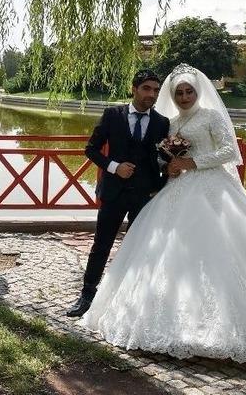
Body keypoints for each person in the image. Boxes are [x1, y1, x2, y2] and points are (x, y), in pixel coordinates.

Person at [80, 63, 246, 363]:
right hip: (173, 189)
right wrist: (168, 165)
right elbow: (158, 155)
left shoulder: (212, 116)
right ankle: (92, 296)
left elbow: (230, 152)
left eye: (188, 91)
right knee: (162, 248)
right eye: (177, 92)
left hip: (212, 190)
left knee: (219, 246)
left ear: (198, 91)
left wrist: (191, 164)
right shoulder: (171, 123)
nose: (182, 96)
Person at [66, 69, 170, 317]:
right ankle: (87, 296)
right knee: (101, 245)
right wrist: (114, 167)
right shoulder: (112, 115)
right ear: (134, 89)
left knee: (140, 247)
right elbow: (91, 149)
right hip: (113, 192)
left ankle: (132, 300)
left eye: (155, 90)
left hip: (144, 197)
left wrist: (162, 184)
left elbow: (164, 159)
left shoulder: (162, 122)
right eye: (146, 89)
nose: (151, 95)